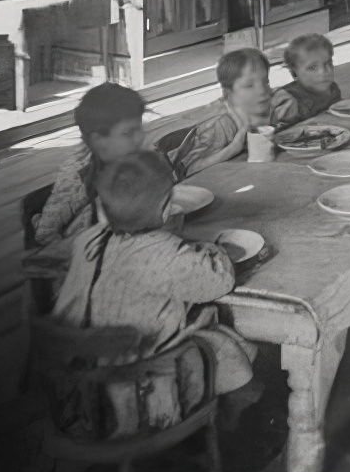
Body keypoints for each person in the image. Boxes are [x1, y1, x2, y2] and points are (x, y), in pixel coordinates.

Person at [52, 151, 255, 436]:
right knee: (225, 347)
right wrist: (218, 250)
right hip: (135, 401)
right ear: (165, 208)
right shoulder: (165, 253)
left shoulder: (86, 241)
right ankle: (229, 427)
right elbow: (218, 281)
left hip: (77, 389)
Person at [33, 83, 146, 246]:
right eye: (127, 133)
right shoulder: (77, 176)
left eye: (139, 128)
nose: (139, 138)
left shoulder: (133, 158)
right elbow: (45, 235)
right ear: (97, 140)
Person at [167, 48, 278, 177]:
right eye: (249, 85)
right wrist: (232, 149)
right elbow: (186, 171)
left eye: (265, 81)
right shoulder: (220, 125)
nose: (262, 90)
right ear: (228, 93)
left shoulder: (265, 107)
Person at [273, 33, 342, 125]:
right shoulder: (288, 100)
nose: (324, 71)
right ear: (294, 72)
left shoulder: (333, 89)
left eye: (328, 63)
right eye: (313, 67)